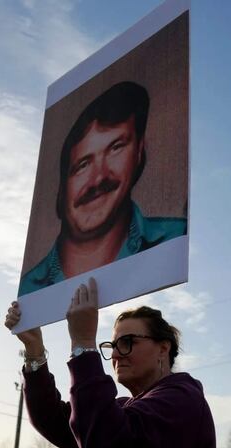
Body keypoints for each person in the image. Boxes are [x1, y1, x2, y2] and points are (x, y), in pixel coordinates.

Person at [4, 277, 216, 448]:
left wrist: (83, 344)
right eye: (113, 346)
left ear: (163, 348)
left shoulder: (183, 400)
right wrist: (34, 350)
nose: (115, 354)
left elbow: (107, 440)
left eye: (127, 342)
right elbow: (52, 419)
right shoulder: (123, 409)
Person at [18, 81, 187, 296]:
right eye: (82, 165)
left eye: (116, 148)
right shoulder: (30, 290)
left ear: (139, 152)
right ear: (61, 192)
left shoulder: (179, 239)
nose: (98, 178)